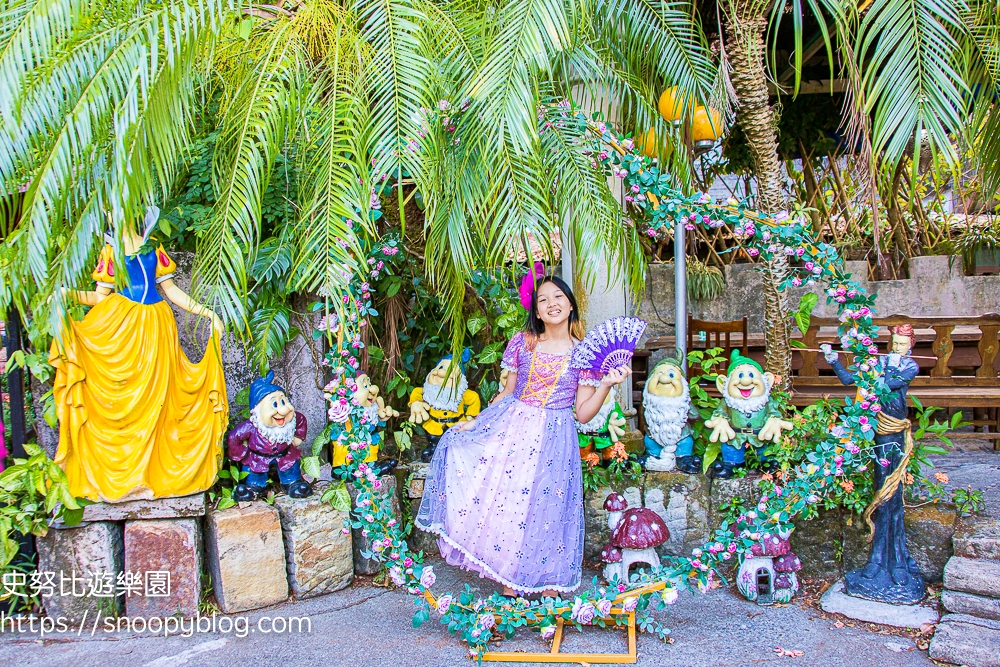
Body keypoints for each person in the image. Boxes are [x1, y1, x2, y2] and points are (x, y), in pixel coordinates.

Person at [415, 275, 631, 597]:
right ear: (537, 311)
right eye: (543, 300)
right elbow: (507, 393)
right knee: (509, 502)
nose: (552, 304)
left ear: (570, 305)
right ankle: (509, 577)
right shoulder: (524, 341)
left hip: (557, 436)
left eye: (558, 297)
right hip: (514, 428)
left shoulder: (583, 354)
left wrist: (605, 385)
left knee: (550, 506)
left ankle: (548, 582)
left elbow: (583, 412)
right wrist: (475, 423)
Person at [49, 209, 228, 503]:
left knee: (159, 401)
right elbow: (98, 297)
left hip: (157, 326)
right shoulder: (110, 249)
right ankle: (127, 473)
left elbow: (171, 290)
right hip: (121, 327)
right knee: (125, 400)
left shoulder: (153, 244)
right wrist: (66, 293)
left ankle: (153, 471)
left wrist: (207, 312)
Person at [821, 324, 925, 603]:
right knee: (882, 494)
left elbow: (888, 386)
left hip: (896, 436)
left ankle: (898, 563)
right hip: (880, 436)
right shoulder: (879, 362)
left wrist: (882, 368)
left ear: (910, 346)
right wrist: (834, 361)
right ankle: (877, 560)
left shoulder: (910, 365)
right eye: (894, 342)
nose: (897, 348)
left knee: (894, 497)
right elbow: (849, 381)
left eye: (902, 344)